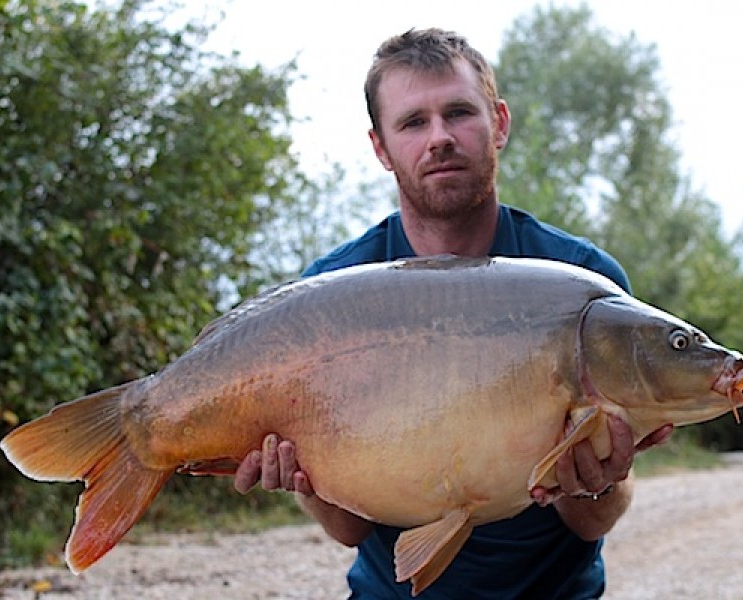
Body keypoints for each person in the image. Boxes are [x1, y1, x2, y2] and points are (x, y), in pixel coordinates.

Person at [233, 27, 673, 599]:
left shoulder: (583, 285)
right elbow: (351, 530)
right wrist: (301, 477)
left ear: (500, 124)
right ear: (381, 148)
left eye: (460, 113)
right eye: (414, 122)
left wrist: (596, 480)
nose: (439, 138)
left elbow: (595, 520)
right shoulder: (330, 295)